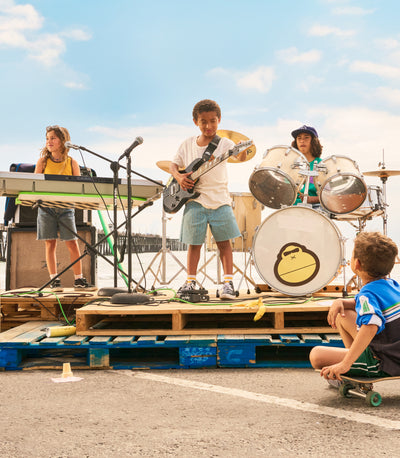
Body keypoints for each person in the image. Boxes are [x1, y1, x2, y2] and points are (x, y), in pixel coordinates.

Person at [169, 99, 246, 300]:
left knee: (224, 243)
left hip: (220, 200)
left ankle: (228, 283)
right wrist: (179, 178)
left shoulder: (225, 144)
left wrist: (243, 150)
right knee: (194, 244)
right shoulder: (187, 144)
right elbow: (173, 165)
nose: (208, 126)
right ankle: (190, 281)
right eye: (203, 121)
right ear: (196, 121)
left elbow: (240, 158)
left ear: (219, 120)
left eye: (213, 121)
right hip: (195, 200)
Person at [310, 231, 400, 383]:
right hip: (394, 352)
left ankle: (350, 366)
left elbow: (371, 325)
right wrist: (342, 302)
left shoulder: (368, 294)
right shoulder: (392, 285)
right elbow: (368, 305)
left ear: (356, 263)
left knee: (316, 355)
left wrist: (344, 364)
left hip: (384, 361)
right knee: (342, 315)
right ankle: (355, 361)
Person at [34, 125, 96, 292]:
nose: (49, 142)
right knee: (50, 244)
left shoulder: (72, 162)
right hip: (46, 208)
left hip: (66, 208)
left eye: (53, 138)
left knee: (72, 244)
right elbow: (34, 184)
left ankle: (79, 280)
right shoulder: (43, 162)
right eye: (47, 139)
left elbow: (77, 187)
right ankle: (54, 280)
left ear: (63, 141)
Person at [291, 125, 322, 207]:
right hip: (291, 207)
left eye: (306, 137)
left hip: (315, 207)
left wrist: (313, 199)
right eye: (299, 138)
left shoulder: (322, 165)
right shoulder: (291, 165)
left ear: (314, 141)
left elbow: (332, 196)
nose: (302, 141)